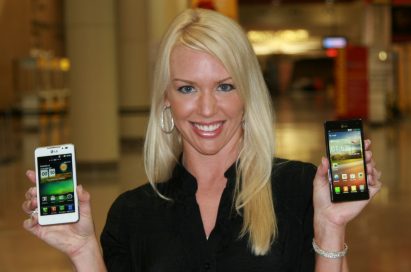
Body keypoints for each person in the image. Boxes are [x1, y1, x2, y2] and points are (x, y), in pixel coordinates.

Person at [22, 8, 382, 272]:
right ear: (167, 98)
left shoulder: (302, 190)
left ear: (248, 96)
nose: (207, 108)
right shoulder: (133, 213)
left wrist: (331, 228)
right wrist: (84, 252)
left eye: (225, 86)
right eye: (187, 88)